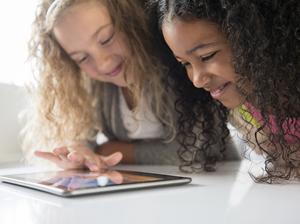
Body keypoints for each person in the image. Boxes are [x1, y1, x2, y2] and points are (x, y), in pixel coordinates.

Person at [23, 0, 233, 172]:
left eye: (106, 39)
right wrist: (80, 153)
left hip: (217, 181)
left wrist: (112, 150)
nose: (103, 63)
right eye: (82, 58)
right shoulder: (96, 89)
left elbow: (203, 148)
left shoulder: (176, 68)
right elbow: (86, 141)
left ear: (130, 23)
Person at [153, 0, 300, 182]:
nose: (197, 80)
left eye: (207, 56)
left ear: (253, 39)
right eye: (186, 64)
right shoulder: (245, 106)